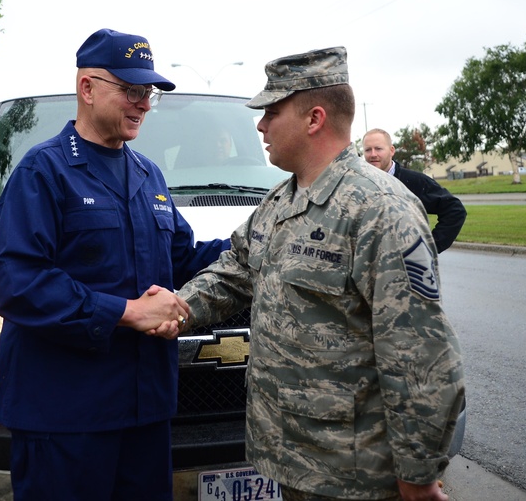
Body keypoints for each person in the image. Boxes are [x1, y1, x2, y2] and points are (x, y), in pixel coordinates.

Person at [170, 48, 465, 501]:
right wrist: (178, 306)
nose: (261, 125)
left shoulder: (380, 208)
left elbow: (419, 354)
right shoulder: (279, 202)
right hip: (291, 460)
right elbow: (234, 273)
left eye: (272, 111)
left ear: (314, 119)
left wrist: (418, 474)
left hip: (353, 475)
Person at [0, 28, 227, 501]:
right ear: (87, 87)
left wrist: (258, 243)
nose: (142, 103)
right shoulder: (44, 171)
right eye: (132, 90)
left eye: (148, 94)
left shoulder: (148, 174)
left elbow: (181, 259)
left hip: (145, 412)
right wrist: (125, 311)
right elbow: (17, 282)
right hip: (66, 416)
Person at [362, 128, 467, 253]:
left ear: (391, 151)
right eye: (368, 150)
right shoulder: (360, 185)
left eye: (378, 148)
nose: (373, 154)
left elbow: (455, 210)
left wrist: (430, 247)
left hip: (405, 269)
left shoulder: (414, 182)